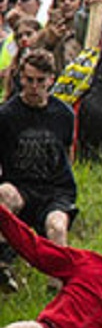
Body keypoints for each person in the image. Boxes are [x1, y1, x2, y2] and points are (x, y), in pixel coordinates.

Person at [0, 50, 77, 291]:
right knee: (5, 195)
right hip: (20, 185)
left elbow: (68, 153)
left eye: (40, 81)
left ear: (51, 80)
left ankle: (57, 290)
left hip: (55, 190)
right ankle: (3, 263)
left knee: (56, 226)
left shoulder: (64, 114)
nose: (34, 87)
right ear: (20, 78)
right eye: (29, 80)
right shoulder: (7, 115)